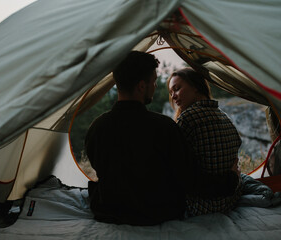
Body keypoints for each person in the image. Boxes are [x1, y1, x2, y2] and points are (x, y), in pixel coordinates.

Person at [85, 52, 238, 225]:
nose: (156, 87)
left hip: (107, 209)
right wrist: (231, 180)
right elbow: (191, 181)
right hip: (156, 213)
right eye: (154, 81)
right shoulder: (165, 128)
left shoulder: (96, 128)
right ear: (142, 86)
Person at [167, 67, 242, 216]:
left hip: (201, 206)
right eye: (171, 93)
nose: (174, 96)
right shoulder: (224, 116)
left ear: (195, 86)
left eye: (177, 89)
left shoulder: (188, 118)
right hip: (231, 200)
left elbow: (176, 170)